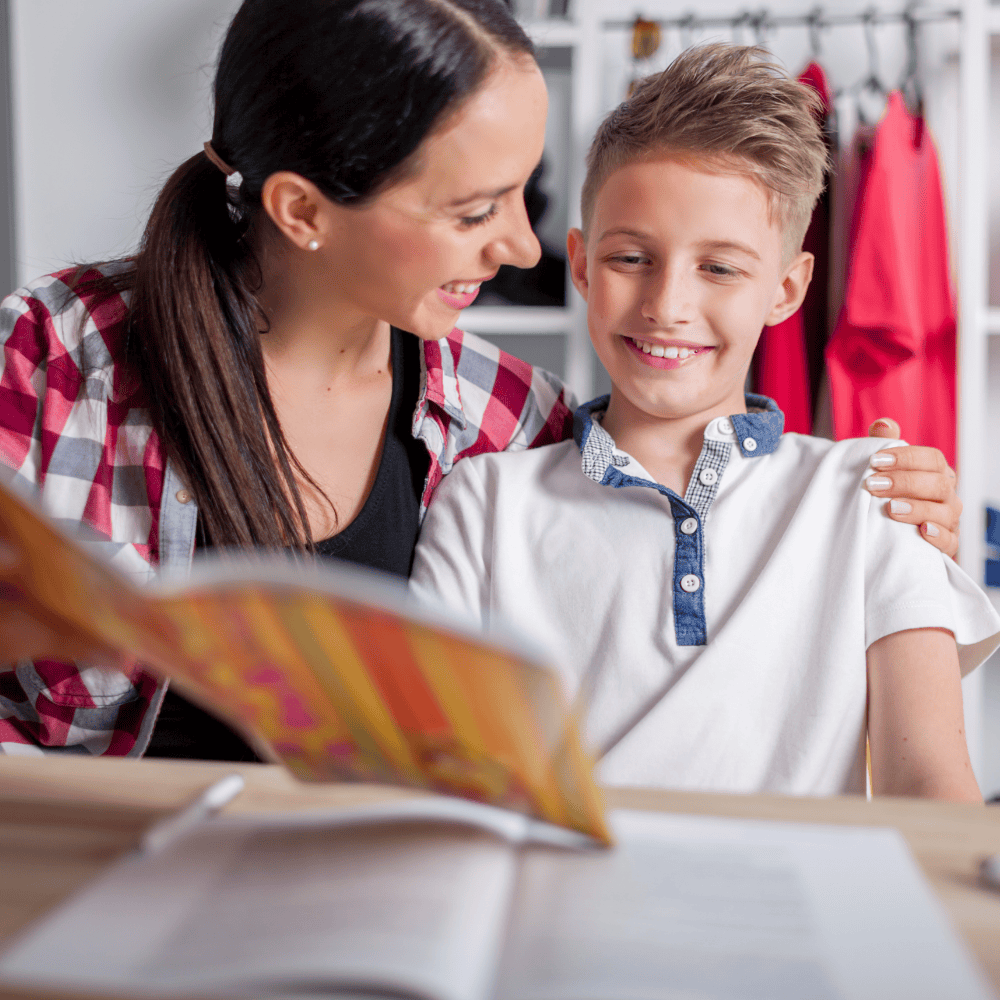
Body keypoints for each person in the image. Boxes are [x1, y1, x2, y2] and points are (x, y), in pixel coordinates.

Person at [0, 2, 961, 759]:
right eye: (474, 211)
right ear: (303, 210)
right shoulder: (52, 358)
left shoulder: (505, 421)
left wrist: (905, 518)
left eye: (523, 189)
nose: (522, 246)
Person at [410, 43, 999, 801]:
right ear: (583, 267)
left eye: (719, 268)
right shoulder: (483, 503)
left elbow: (931, 784)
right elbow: (441, 773)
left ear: (786, 290)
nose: (668, 305)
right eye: (632, 259)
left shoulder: (875, 493)